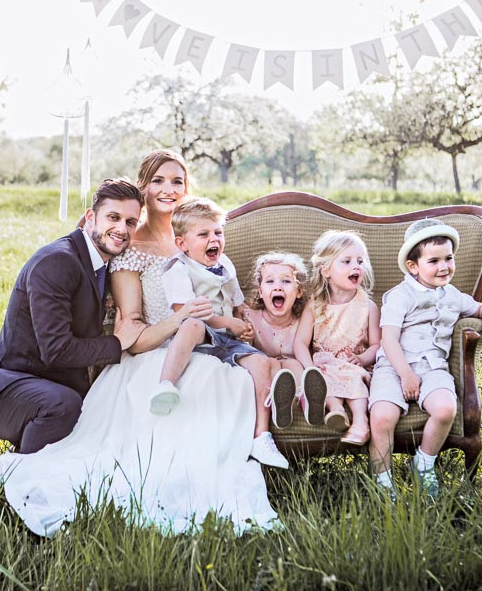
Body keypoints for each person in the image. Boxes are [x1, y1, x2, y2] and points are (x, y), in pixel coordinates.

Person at [0, 150, 277, 536]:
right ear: (141, 189)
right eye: (158, 182)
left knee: (227, 379)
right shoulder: (115, 252)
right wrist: (163, 326)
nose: (168, 190)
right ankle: (24, 475)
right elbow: (128, 332)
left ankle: (234, 451)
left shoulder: (198, 234)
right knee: (152, 402)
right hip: (139, 354)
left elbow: (228, 292)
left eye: (177, 182)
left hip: (202, 344)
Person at [0, 178, 146, 453]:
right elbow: (56, 351)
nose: (122, 228)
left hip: (53, 384)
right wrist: (118, 343)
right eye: (113, 217)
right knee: (64, 405)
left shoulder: (101, 262)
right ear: (90, 217)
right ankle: (24, 472)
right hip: (9, 392)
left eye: (130, 222)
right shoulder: (57, 261)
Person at [368, 218, 482, 499]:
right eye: (434, 261)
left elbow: (477, 307)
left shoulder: (452, 295)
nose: (444, 266)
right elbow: (388, 339)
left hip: (434, 368)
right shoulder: (399, 296)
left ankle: (424, 462)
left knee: (445, 409)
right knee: (382, 417)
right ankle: (383, 481)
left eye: (449, 258)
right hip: (394, 366)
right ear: (413, 266)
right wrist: (405, 374)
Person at [149, 198, 288, 469]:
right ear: (182, 243)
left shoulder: (224, 264)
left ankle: (261, 435)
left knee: (261, 362)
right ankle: (166, 384)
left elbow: (238, 305)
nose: (214, 239)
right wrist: (227, 322)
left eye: (218, 233)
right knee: (193, 324)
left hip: (226, 338)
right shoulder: (177, 268)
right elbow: (184, 311)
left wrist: (244, 326)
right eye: (204, 234)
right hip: (196, 333)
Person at [295, 230, 380, 446]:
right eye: (347, 261)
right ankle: (336, 411)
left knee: (353, 377)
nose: (356, 266)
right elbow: (300, 343)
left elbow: (376, 345)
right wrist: (309, 368)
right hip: (324, 364)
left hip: (353, 363)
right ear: (326, 270)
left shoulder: (367, 306)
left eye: (360, 261)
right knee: (324, 379)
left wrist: (362, 360)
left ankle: (361, 423)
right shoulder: (314, 305)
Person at [243, 251, 327, 429]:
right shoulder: (250, 317)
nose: (278, 287)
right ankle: (280, 403)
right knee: (272, 364)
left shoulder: (302, 319)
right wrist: (247, 338)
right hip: (266, 373)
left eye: (286, 281)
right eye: (270, 281)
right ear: (260, 291)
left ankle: (309, 402)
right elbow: (245, 353)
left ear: (299, 291)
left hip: (294, 370)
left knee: (293, 365)